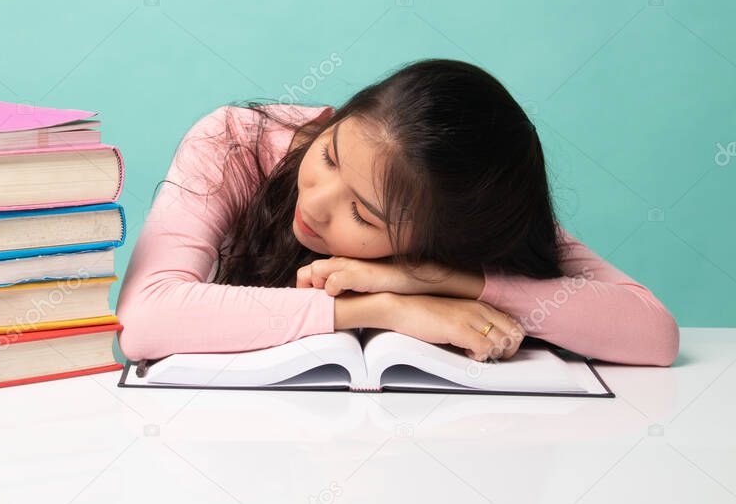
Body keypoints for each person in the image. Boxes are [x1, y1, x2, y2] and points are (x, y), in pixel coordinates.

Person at [116, 59, 679, 367]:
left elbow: (653, 335)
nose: (315, 202)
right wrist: (385, 308)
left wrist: (443, 280)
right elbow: (142, 319)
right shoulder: (236, 142)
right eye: (330, 155)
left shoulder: (453, 198)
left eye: (364, 216)